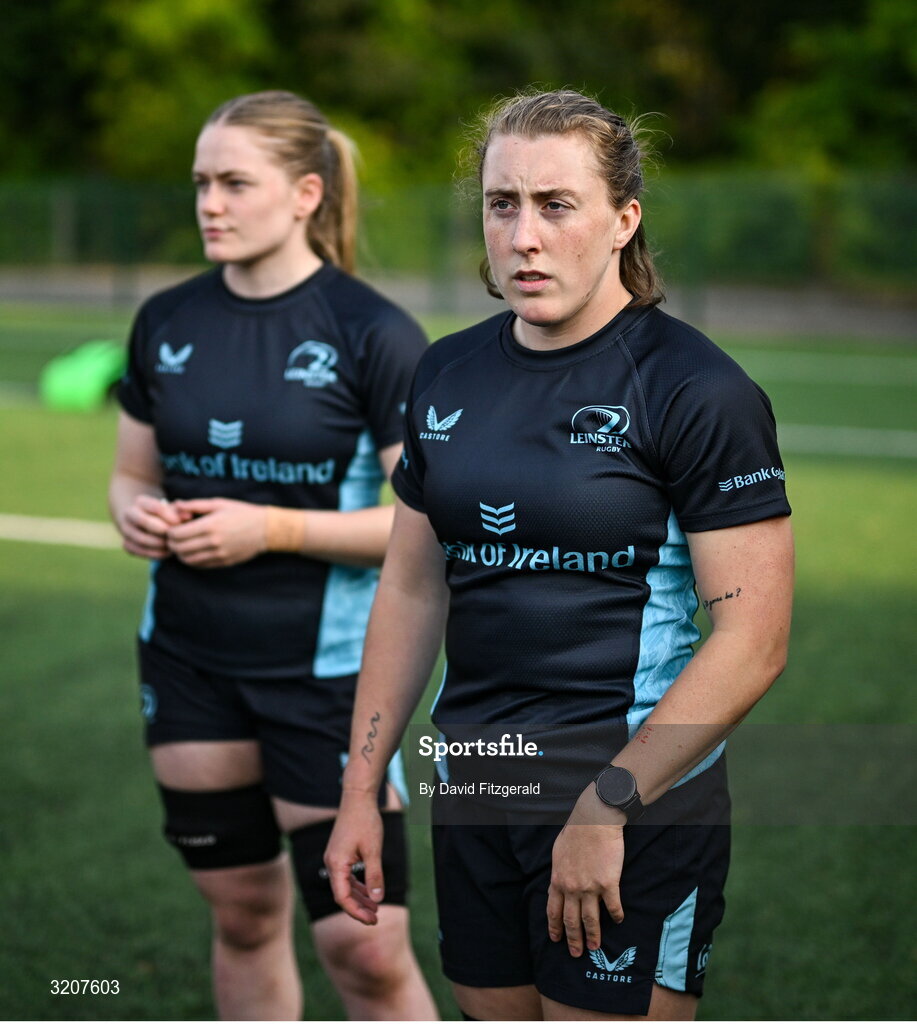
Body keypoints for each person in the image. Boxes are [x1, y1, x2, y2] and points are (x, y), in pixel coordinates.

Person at [325, 88, 794, 1021]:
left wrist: (607, 805)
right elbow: (414, 589)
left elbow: (752, 639)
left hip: (629, 801)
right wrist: (358, 789)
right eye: (502, 204)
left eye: (555, 205)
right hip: (478, 782)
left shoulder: (696, 390)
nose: (524, 236)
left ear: (623, 220)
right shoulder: (446, 371)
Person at [108, 90, 437, 1021]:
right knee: (245, 916)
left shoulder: (371, 333)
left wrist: (273, 528)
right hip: (188, 662)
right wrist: (135, 513)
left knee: (366, 949)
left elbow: (423, 525)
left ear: (302, 194)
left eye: (234, 183)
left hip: (327, 676)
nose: (210, 202)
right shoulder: (165, 319)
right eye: (201, 183)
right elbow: (131, 475)